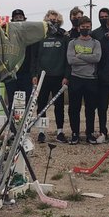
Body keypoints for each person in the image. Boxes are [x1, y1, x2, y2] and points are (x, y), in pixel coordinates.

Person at [66, 17, 102, 144]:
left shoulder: (96, 43)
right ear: (78, 28)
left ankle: (89, 133)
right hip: (75, 78)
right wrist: (88, 59)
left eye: (87, 27)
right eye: (83, 27)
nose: (85, 29)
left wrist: (80, 55)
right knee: (74, 108)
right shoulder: (72, 43)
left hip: (91, 79)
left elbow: (97, 58)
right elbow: (71, 60)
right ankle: (75, 133)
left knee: (90, 109)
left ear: (90, 27)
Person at [36, 10, 70, 143]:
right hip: (43, 77)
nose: (53, 22)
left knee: (59, 105)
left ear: (59, 21)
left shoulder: (63, 36)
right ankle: (41, 132)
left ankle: (60, 131)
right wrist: (34, 74)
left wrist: (66, 75)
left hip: (58, 76)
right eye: (50, 20)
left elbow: (68, 58)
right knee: (41, 104)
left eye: (55, 20)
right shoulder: (41, 35)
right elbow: (35, 56)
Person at [9, 9, 38, 103]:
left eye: (21, 17)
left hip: (27, 74)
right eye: (16, 18)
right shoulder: (8, 35)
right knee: (12, 102)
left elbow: (34, 56)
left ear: (24, 19)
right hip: (12, 74)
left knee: (27, 101)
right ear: (12, 20)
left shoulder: (30, 36)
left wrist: (34, 74)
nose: (18, 19)